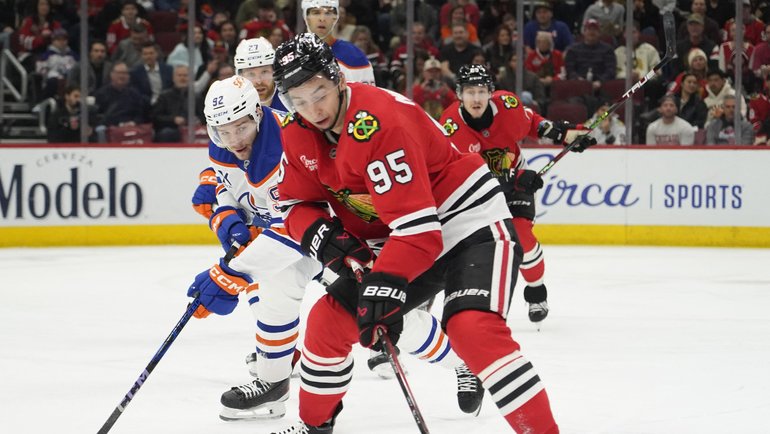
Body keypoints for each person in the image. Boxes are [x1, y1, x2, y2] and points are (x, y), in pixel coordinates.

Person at [269, 33, 560, 434]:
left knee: (472, 329)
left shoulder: (378, 123)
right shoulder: (298, 132)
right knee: (328, 322)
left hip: (467, 222)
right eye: (298, 100)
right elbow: (295, 204)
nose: (312, 109)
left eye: (318, 93)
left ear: (337, 78)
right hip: (400, 236)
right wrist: (324, 236)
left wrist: (384, 285)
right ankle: (314, 426)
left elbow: (419, 231)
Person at [440, 63, 595, 325]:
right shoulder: (450, 127)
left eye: (481, 91)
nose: (476, 98)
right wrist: (514, 176)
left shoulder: (508, 106)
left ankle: (536, 292)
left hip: (515, 185)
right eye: (470, 92)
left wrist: (564, 133)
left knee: (522, 235)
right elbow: (468, 176)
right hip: (474, 193)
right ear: (459, 94)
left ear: (491, 92)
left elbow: (532, 122)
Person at [302, 0, 375, 85]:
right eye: (316, 13)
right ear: (306, 17)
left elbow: (366, 93)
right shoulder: (291, 55)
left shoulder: (355, 56)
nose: (322, 19)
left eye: (328, 13)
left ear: (335, 18)